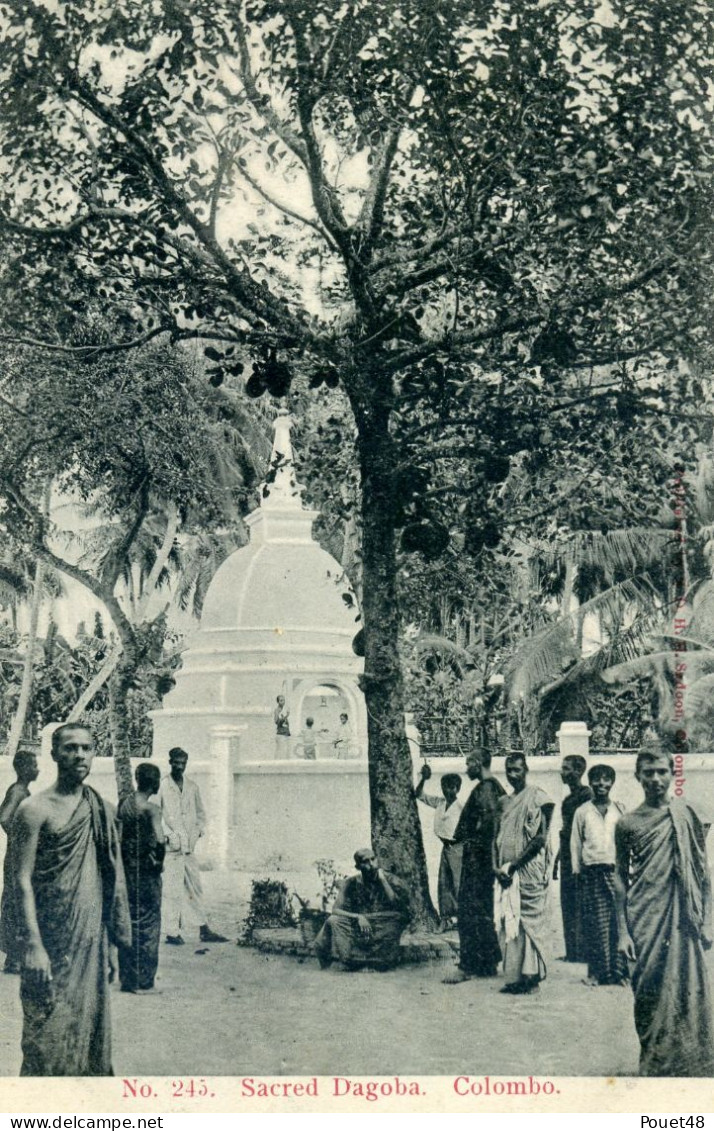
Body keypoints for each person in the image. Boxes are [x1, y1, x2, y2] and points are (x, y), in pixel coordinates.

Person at [11, 723, 130, 1076]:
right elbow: (20, 882)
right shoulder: (33, 810)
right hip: (48, 940)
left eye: (86, 748)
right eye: (70, 748)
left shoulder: (102, 810)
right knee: (45, 1038)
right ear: (54, 754)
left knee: (88, 1032)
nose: (79, 754)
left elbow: (108, 884)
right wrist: (32, 945)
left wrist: (109, 946)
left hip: (89, 942)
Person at [614, 747, 714, 1076]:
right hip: (645, 916)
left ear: (672, 774)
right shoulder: (627, 823)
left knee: (687, 989)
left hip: (683, 919)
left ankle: (688, 1063)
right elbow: (619, 876)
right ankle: (654, 1060)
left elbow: (702, 870)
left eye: (662, 772)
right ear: (638, 776)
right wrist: (624, 932)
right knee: (647, 989)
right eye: (648, 773)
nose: (656, 779)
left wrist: (708, 919)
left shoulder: (687, 814)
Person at [443, 748, 506, 983]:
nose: (466, 768)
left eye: (469, 763)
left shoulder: (487, 788)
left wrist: (480, 853)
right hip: (482, 859)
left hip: (479, 860)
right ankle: (486, 963)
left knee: (470, 910)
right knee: (481, 910)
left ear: (478, 763)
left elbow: (490, 824)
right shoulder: (493, 786)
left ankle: (469, 965)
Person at [493, 753, 554, 995]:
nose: (513, 774)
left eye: (518, 769)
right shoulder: (503, 802)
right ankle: (514, 978)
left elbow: (540, 838)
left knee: (528, 922)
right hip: (505, 871)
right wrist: (497, 868)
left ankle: (532, 978)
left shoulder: (538, 797)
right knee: (510, 921)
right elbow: (494, 838)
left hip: (527, 870)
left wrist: (514, 865)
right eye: (509, 769)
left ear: (526, 769)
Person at [159, 747, 228, 946]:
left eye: (183, 763)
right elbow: (158, 815)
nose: (179, 767)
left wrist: (196, 834)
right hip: (171, 849)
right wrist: (169, 835)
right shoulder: (163, 786)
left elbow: (201, 816)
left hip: (188, 849)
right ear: (170, 762)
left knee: (195, 888)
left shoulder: (192, 787)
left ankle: (203, 928)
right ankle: (172, 933)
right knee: (172, 891)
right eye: (176, 763)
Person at [571, 764, 626, 986]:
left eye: (606, 780)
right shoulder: (582, 811)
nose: (601, 784)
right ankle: (596, 974)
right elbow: (575, 844)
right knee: (594, 924)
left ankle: (619, 973)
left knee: (618, 922)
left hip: (615, 872)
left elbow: (626, 842)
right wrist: (577, 870)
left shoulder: (619, 810)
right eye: (597, 780)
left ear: (612, 783)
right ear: (591, 782)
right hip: (591, 873)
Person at [314, 848, 410, 971]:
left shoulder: (390, 879)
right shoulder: (351, 882)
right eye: (365, 861)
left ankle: (379, 962)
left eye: (373, 859)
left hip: (383, 923)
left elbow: (399, 906)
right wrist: (358, 917)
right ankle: (352, 961)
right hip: (359, 924)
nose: (371, 864)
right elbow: (336, 910)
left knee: (396, 918)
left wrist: (382, 880)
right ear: (358, 866)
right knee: (333, 920)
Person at [117, 762, 166, 994]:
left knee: (130, 920)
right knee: (148, 924)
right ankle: (144, 981)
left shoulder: (125, 804)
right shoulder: (151, 809)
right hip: (146, 872)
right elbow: (159, 840)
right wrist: (159, 862)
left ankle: (128, 978)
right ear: (154, 782)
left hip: (127, 870)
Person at [0, 749, 40, 974]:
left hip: (19, 856)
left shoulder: (21, 790)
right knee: (17, 903)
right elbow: (4, 817)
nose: (37, 769)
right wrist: (21, 839)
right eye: (34, 765)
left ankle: (15, 956)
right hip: (18, 857)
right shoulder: (18, 792)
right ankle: (14, 958)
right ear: (24, 768)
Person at [553, 754, 591, 963]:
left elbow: (587, 829)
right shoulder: (568, 799)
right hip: (567, 853)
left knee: (580, 901)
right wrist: (559, 857)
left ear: (578, 772)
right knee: (567, 900)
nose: (562, 772)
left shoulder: (587, 795)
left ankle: (583, 952)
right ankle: (573, 952)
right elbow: (566, 831)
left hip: (581, 855)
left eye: (566, 768)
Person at [415, 764, 463, 928]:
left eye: (451, 787)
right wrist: (424, 779)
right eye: (444, 787)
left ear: (457, 789)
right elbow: (419, 795)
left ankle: (463, 919)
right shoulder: (440, 803)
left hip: (459, 848)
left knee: (458, 884)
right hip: (446, 848)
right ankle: (446, 918)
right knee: (444, 883)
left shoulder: (461, 807)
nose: (447, 791)